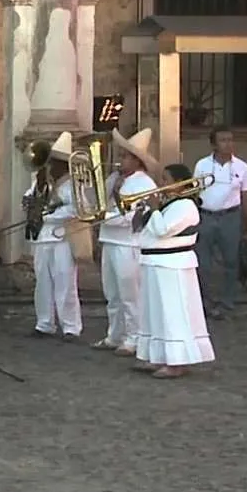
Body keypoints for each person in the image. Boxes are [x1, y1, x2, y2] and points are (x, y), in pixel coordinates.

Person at [133, 163, 217, 379]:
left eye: (166, 180)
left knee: (173, 314)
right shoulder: (170, 204)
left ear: (179, 183)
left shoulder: (186, 206)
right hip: (155, 264)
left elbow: (162, 230)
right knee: (156, 314)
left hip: (173, 265)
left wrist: (153, 208)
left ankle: (177, 362)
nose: (161, 184)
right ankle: (159, 356)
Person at [95, 127, 161, 357]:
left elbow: (132, 218)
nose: (120, 160)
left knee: (129, 295)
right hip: (109, 240)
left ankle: (134, 337)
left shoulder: (145, 184)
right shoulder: (115, 179)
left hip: (129, 244)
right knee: (112, 293)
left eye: (124, 156)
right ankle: (115, 334)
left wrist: (103, 217)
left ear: (136, 160)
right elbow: (99, 202)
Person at [192, 126, 247, 319]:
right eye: (223, 140)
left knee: (231, 261)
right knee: (203, 262)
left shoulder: (242, 167)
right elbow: (194, 192)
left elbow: (246, 197)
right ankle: (205, 302)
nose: (228, 144)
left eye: (230, 140)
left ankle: (227, 302)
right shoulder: (202, 165)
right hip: (206, 216)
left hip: (230, 217)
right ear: (214, 144)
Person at [29, 132, 81, 342]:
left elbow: (75, 209)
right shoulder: (43, 183)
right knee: (42, 282)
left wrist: (48, 215)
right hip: (43, 238)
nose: (51, 167)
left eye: (56, 163)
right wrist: (39, 191)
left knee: (65, 282)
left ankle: (71, 327)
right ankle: (44, 323)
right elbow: (28, 200)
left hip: (63, 237)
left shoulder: (73, 185)